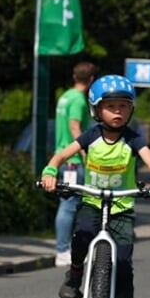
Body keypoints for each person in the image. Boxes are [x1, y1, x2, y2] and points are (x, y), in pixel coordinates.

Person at [40, 75, 150, 298]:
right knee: (81, 235)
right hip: (92, 203)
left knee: (123, 266)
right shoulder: (91, 136)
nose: (117, 112)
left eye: (123, 106)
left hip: (121, 209)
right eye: (110, 106)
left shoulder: (133, 139)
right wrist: (50, 171)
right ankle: (75, 273)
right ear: (96, 110)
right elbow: (62, 155)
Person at [53, 62, 97, 267]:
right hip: (73, 161)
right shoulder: (79, 100)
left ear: (74, 76)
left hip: (61, 156)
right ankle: (63, 250)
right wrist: (85, 153)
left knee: (68, 204)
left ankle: (65, 248)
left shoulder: (65, 96)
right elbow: (74, 127)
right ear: (91, 80)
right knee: (70, 205)